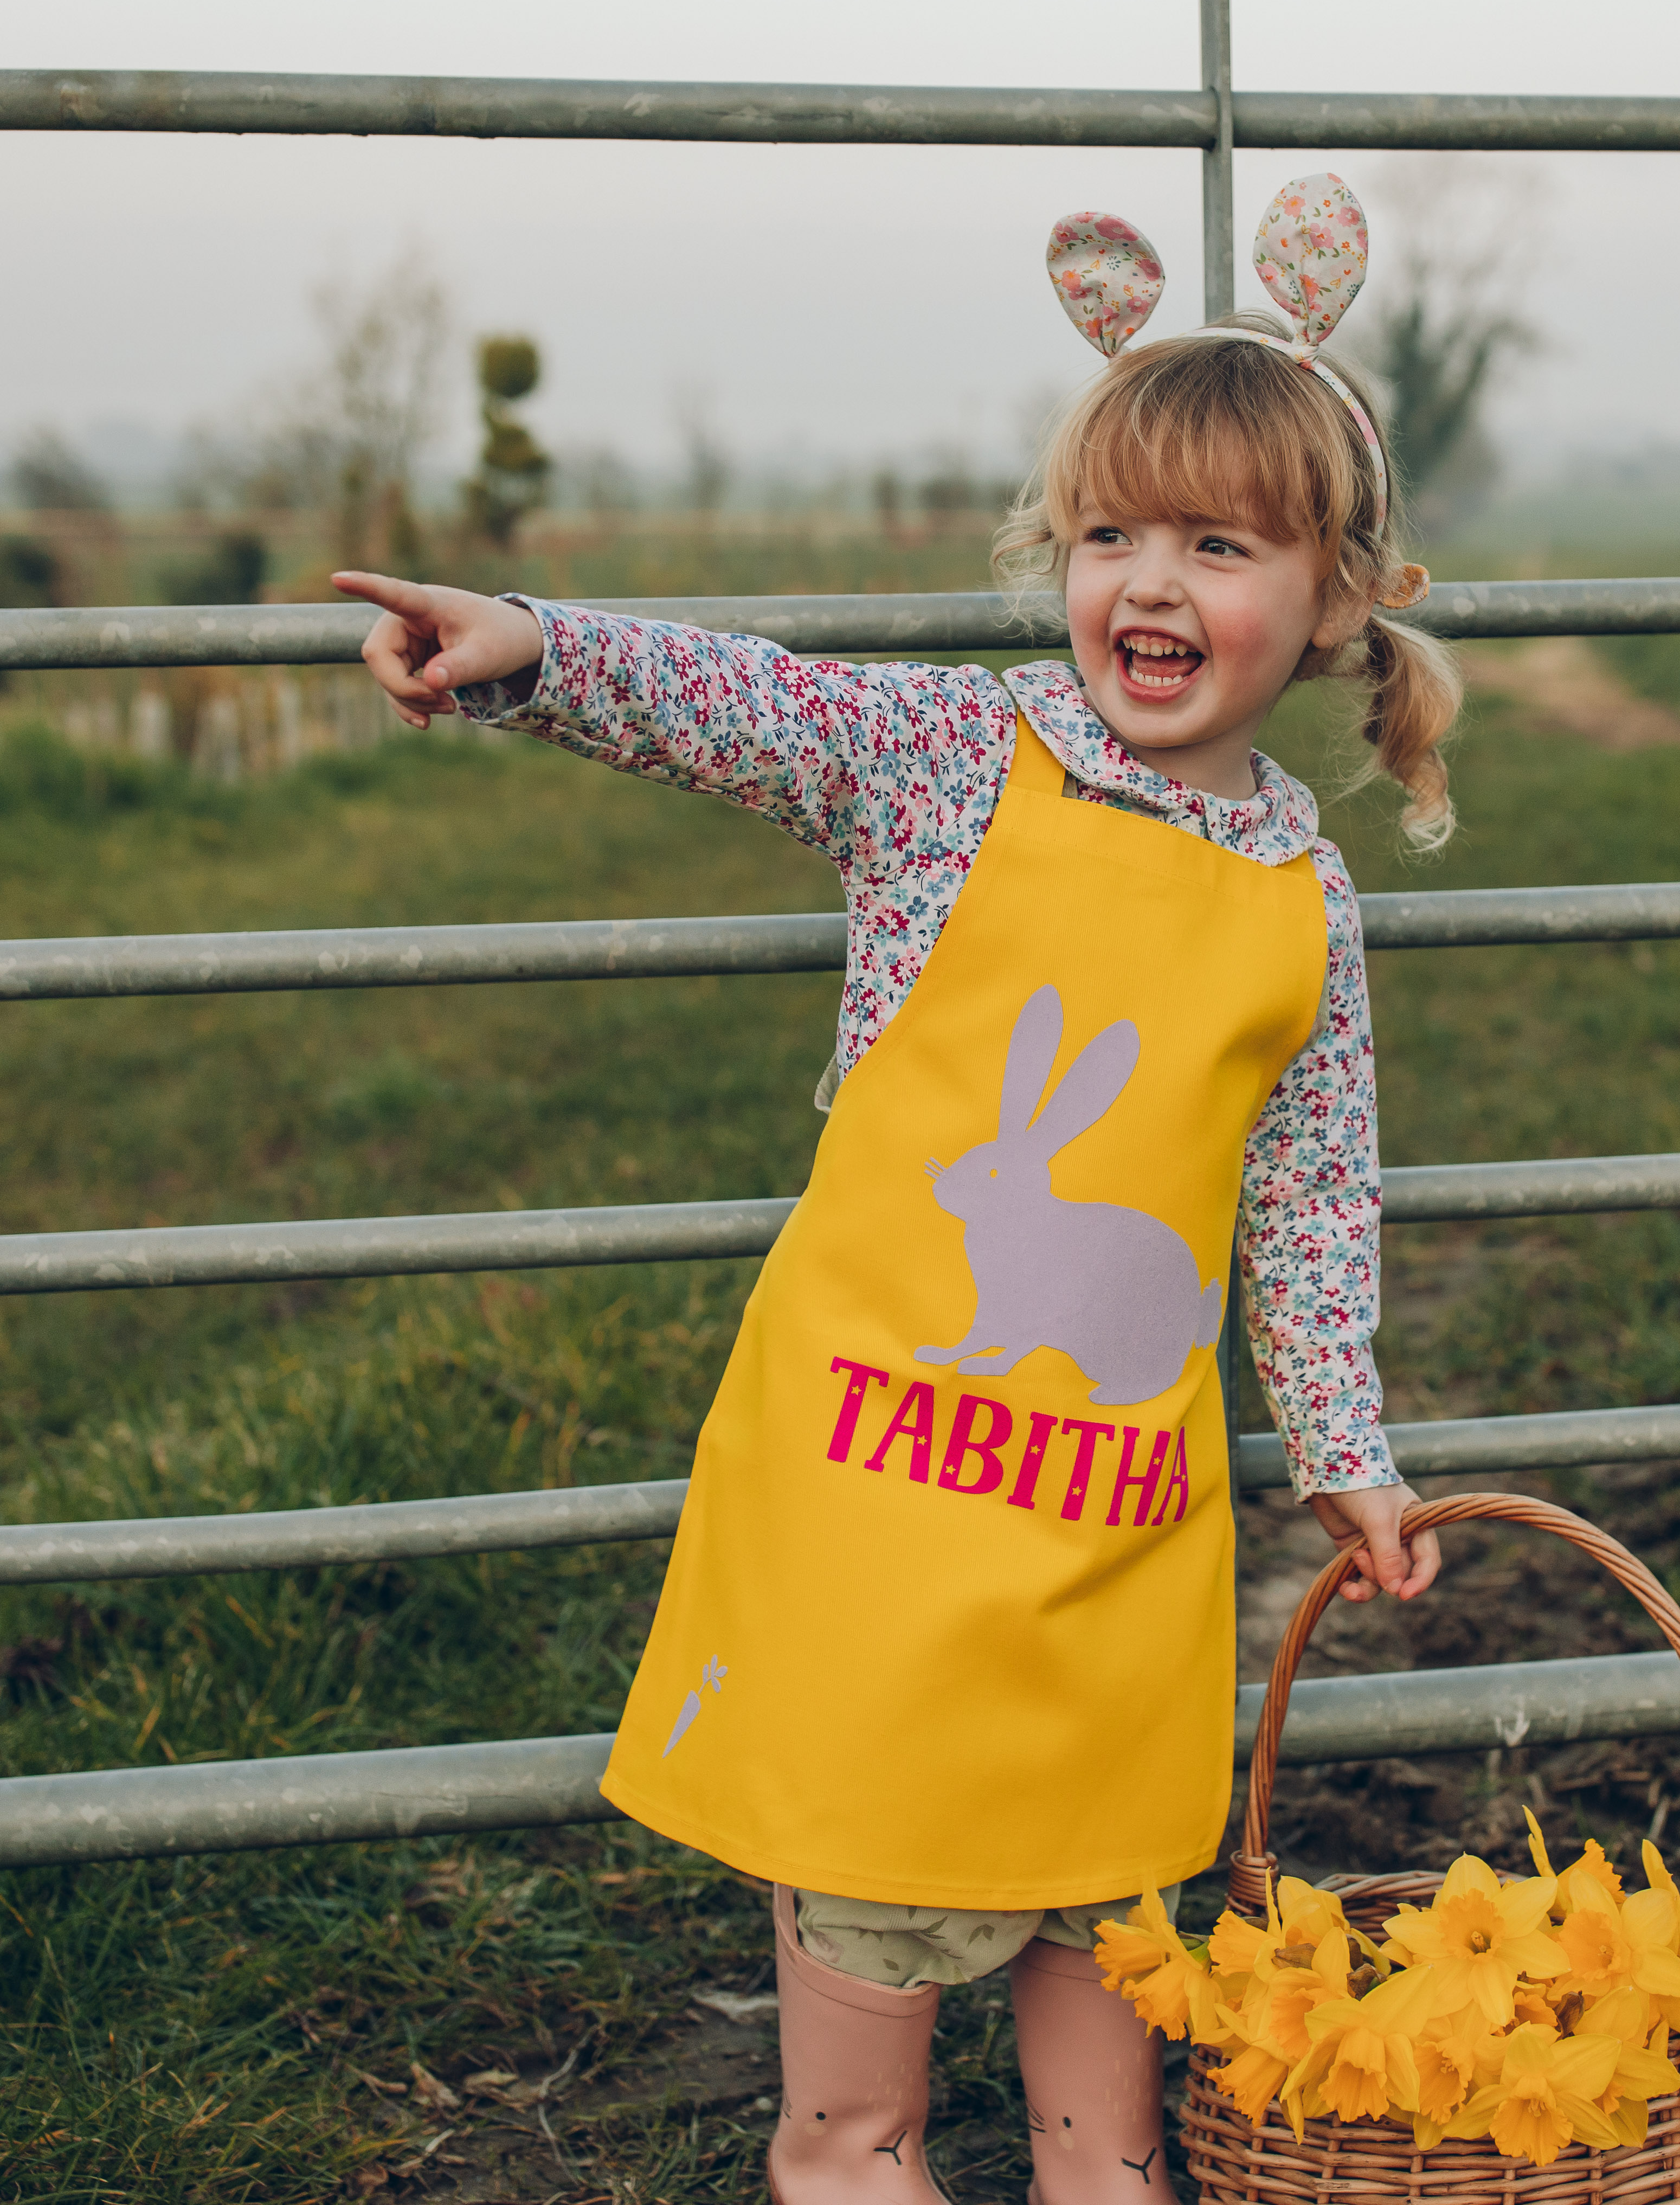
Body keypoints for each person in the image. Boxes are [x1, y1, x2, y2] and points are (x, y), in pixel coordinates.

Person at [338, 175, 1460, 2205]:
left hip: (1117, 1541)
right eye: (1110, 533)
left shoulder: (1310, 900)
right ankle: (846, 2160)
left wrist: (1353, 1449)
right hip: (882, 1510)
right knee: (859, 2084)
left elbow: (1309, 1200)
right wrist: (531, 656)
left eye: (1218, 546)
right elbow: (749, 701)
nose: (1149, 583)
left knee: (1108, 2108)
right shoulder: (953, 765)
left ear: (1331, 602)